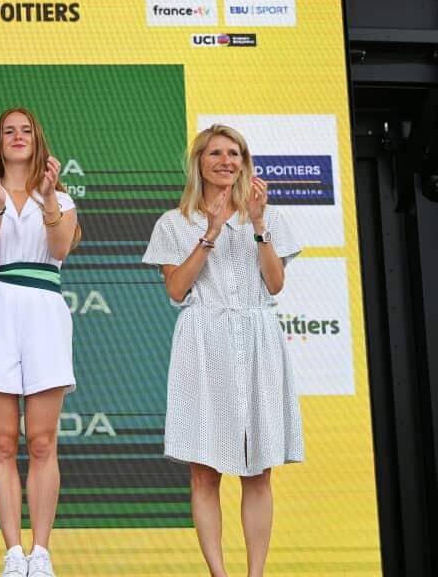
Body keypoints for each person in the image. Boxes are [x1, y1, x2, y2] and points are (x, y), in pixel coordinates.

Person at [141, 124, 303, 577]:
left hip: (257, 339)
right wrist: (209, 234)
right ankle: (218, 573)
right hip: (202, 342)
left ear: (244, 163)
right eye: (216, 153)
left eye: (234, 153)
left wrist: (258, 225)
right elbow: (176, 289)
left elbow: (275, 283)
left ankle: (255, 574)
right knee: (204, 471)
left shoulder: (267, 217)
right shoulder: (173, 223)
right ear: (199, 162)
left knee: (258, 470)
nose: (226, 161)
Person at [0, 108, 79, 577]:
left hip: (45, 314)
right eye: (9, 131)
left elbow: (60, 248)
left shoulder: (61, 199)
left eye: (26, 130)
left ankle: (41, 552)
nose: (18, 136)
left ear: (37, 139)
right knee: (3, 441)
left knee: (42, 440)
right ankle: (13, 552)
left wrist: (47, 199)